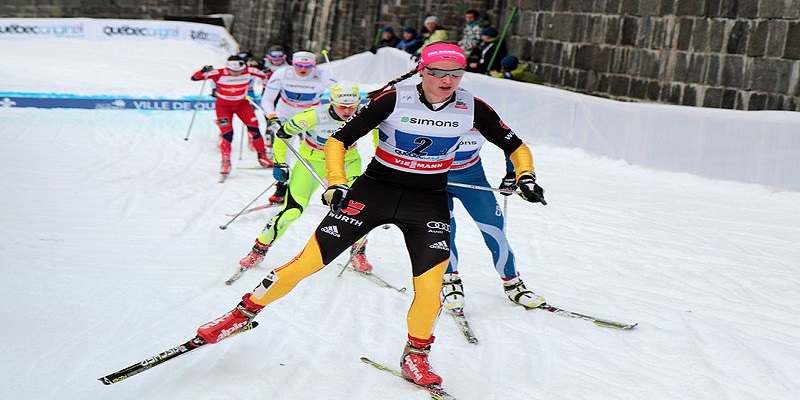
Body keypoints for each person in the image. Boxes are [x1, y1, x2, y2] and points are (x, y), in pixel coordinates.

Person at [195, 42, 546, 388]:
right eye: (439, 72)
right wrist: (337, 182)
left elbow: (515, 145)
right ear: (422, 71)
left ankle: (416, 355)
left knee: (430, 287)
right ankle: (241, 315)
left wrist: (526, 175)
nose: (447, 80)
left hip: (427, 201)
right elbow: (339, 140)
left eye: (455, 74)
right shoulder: (394, 99)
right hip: (374, 192)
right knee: (306, 263)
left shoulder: (472, 107)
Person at [238, 82, 378, 273]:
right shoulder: (314, 116)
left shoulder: (365, 114)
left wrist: (381, 163)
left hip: (347, 162)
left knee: (356, 209)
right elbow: (283, 134)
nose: (347, 111)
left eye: (352, 106)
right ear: (331, 102)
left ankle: (358, 252)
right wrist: (280, 163)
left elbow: (380, 136)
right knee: (292, 211)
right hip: (311, 163)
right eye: (341, 106)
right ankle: (259, 249)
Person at [441, 128, 545, 313]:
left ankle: (513, 283)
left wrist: (513, 175)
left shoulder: (481, 117)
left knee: (495, 231)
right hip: (434, 180)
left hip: (472, 178)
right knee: (444, 231)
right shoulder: (435, 118)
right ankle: (449, 281)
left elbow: (512, 146)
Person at [260, 51, 337, 203]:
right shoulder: (282, 73)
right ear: (293, 63)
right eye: (299, 65)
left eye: (308, 66)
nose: (303, 69)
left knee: (323, 148)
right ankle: (282, 185)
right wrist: (272, 116)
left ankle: (333, 186)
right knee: (283, 147)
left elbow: (339, 94)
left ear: (314, 64)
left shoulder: (323, 75)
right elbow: (267, 100)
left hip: (312, 114)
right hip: (286, 112)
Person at [191, 55, 271, 175]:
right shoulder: (218, 73)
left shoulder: (249, 70)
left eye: (239, 71)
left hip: (242, 105)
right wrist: (203, 71)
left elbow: (268, 76)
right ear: (227, 67)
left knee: (254, 129)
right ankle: (225, 162)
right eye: (233, 71)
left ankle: (262, 157)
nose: (236, 74)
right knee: (227, 133)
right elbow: (194, 78)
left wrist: (265, 70)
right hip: (223, 107)